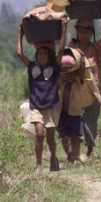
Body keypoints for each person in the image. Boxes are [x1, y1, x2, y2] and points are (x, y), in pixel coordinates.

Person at [16, 22, 67, 172]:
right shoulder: (32, 67)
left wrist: (64, 28)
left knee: (51, 139)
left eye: (45, 53)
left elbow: (62, 49)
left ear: (49, 55)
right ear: (36, 55)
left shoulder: (55, 68)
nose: (42, 55)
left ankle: (53, 158)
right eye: (39, 53)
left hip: (51, 108)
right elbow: (19, 54)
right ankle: (38, 165)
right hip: (36, 107)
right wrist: (20, 32)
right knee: (39, 134)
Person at [69, 2, 101, 158]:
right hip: (76, 91)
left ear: (91, 32)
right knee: (75, 121)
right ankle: (75, 151)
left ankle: (90, 149)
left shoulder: (97, 49)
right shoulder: (71, 49)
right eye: (81, 30)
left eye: (87, 30)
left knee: (90, 123)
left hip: (94, 92)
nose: (83, 33)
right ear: (77, 31)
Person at [58, 47, 101, 164]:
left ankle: (74, 156)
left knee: (75, 136)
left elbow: (91, 83)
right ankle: (69, 154)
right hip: (61, 110)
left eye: (69, 67)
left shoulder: (84, 74)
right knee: (63, 136)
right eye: (64, 68)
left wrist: (98, 97)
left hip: (75, 110)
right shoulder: (59, 75)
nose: (67, 70)